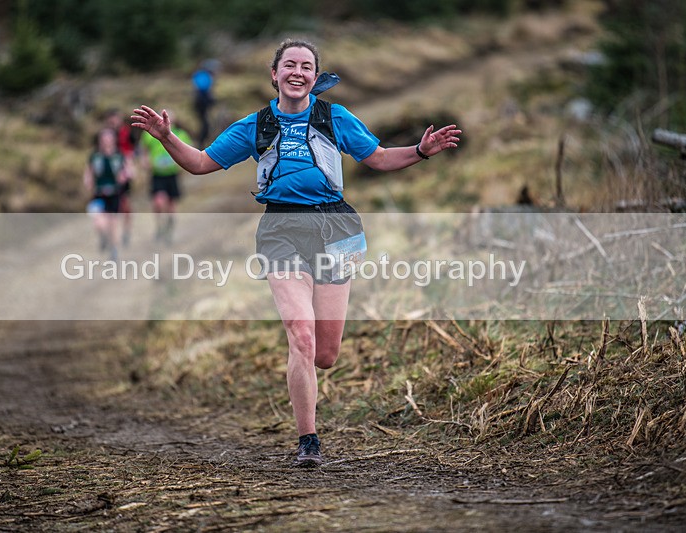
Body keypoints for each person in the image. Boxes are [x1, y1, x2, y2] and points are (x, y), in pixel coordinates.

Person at [132, 38, 461, 467]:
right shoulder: (255, 126)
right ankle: (309, 441)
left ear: (315, 76)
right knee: (300, 334)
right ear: (275, 74)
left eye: (307, 66)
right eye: (290, 64)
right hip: (280, 229)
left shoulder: (333, 117)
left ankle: (310, 394)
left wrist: (420, 151)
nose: (298, 72)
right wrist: (167, 137)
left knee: (325, 354)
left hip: (334, 228)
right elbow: (199, 163)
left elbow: (378, 158)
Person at [140, 112, 193, 242]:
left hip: (172, 174)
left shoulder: (180, 134)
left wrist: (183, 165)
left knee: (171, 205)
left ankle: (169, 230)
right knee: (158, 202)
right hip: (157, 174)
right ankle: (159, 226)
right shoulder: (151, 134)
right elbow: (143, 149)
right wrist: (145, 161)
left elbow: (190, 150)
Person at [83, 128, 133, 260]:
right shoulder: (95, 156)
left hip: (115, 194)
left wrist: (125, 176)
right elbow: (89, 172)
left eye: (109, 138)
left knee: (112, 223)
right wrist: (88, 181)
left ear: (113, 140)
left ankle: (114, 249)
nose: (106, 141)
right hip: (99, 194)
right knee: (99, 223)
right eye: (104, 139)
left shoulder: (119, 156)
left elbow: (129, 171)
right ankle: (103, 238)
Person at [104, 109, 139, 246]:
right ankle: (111, 233)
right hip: (109, 175)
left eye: (115, 118)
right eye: (110, 119)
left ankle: (126, 231)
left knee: (124, 204)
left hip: (123, 172)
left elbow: (133, 150)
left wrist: (129, 168)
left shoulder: (126, 132)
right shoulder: (105, 134)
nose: (113, 121)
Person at [191, 59, 219, 147]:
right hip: (201, 102)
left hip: (201, 102)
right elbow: (203, 88)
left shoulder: (202, 75)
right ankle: (200, 145)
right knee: (205, 125)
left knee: (206, 124)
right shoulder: (203, 75)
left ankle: (201, 144)